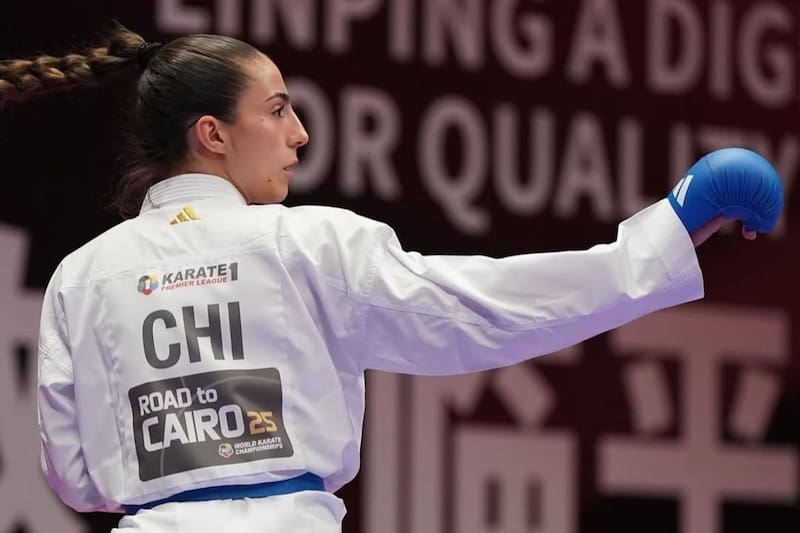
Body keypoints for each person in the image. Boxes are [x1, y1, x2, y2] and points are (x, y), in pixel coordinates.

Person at [0, 24, 782, 533]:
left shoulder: (82, 275)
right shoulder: (305, 243)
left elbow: (73, 476)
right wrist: (664, 237)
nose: (299, 134)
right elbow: (488, 309)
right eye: (276, 110)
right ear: (212, 134)